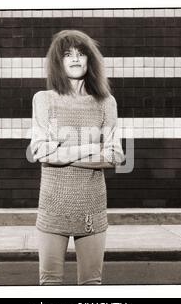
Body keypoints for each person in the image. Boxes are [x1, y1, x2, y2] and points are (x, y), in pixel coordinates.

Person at [28, 29, 126, 285]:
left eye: (81, 54)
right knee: (50, 283)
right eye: (67, 54)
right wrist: (91, 148)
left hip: (92, 207)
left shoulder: (106, 102)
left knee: (92, 284)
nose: (74, 59)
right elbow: (40, 151)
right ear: (57, 62)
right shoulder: (44, 100)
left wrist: (59, 153)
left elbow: (115, 154)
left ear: (89, 60)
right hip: (52, 205)